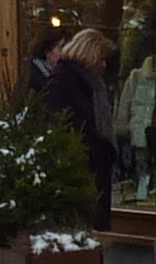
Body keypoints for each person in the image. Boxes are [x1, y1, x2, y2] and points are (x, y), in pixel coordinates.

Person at [44, 27, 117, 221]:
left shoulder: (90, 83)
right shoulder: (63, 82)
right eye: (101, 59)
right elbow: (60, 123)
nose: (103, 65)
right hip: (80, 166)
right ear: (89, 55)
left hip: (94, 163)